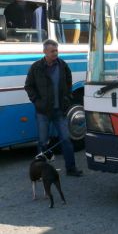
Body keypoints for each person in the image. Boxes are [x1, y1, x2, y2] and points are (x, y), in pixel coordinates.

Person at [25, 39, 83, 177]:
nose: (55, 53)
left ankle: (71, 169)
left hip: (59, 111)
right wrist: (37, 102)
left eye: (56, 50)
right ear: (45, 52)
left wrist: (67, 99)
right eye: (52, 51)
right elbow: (28, 86)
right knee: (43, 142)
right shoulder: (36, 67)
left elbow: (69, 82)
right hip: (43, 112)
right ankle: (41, 171)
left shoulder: (62, 65)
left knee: (66, 140)